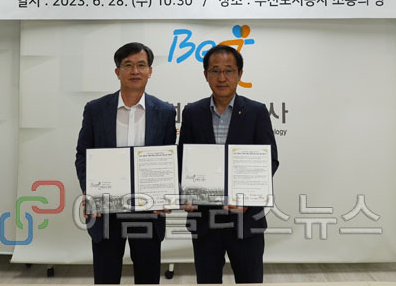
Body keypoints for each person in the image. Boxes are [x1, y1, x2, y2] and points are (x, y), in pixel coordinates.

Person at [75, 42, 177, 284]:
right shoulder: (96, 109)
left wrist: (166, 195)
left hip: (148, 209)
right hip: (105, 209)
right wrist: (90, 191)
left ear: (150, 71)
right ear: (117, 71)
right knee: (106, 277)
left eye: (141, 65)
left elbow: (169, 158)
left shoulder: (164, 112)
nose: (135, 71)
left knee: (148, 277)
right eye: (128, 65)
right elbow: (82, 155)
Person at [178, 44, 279, 284]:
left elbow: (269, 160)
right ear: (206, 75)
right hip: (205, 219)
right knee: (207, 280)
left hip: (246, 219)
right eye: (215, 71)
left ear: (239, 74)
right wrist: (185, 192)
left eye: (228, 71)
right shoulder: (193, 112)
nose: (221, 77)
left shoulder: (256, 112)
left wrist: (248, 195)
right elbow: (183, 160)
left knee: (249, 280)